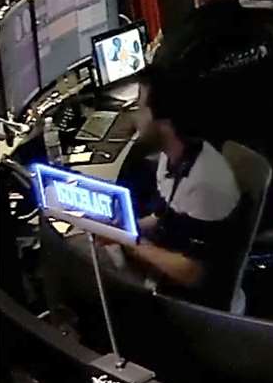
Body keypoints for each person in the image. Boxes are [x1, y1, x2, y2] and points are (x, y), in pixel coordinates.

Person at [93, 65, 244, 308]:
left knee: (90, 275)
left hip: (196, 306)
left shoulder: (204, 183)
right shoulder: (174, 154)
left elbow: (193, 273)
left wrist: (131, 242)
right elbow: (165, 216)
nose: (135, 117)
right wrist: (121, 228)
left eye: (141, 107)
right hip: (170, 266)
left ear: (163, 121)